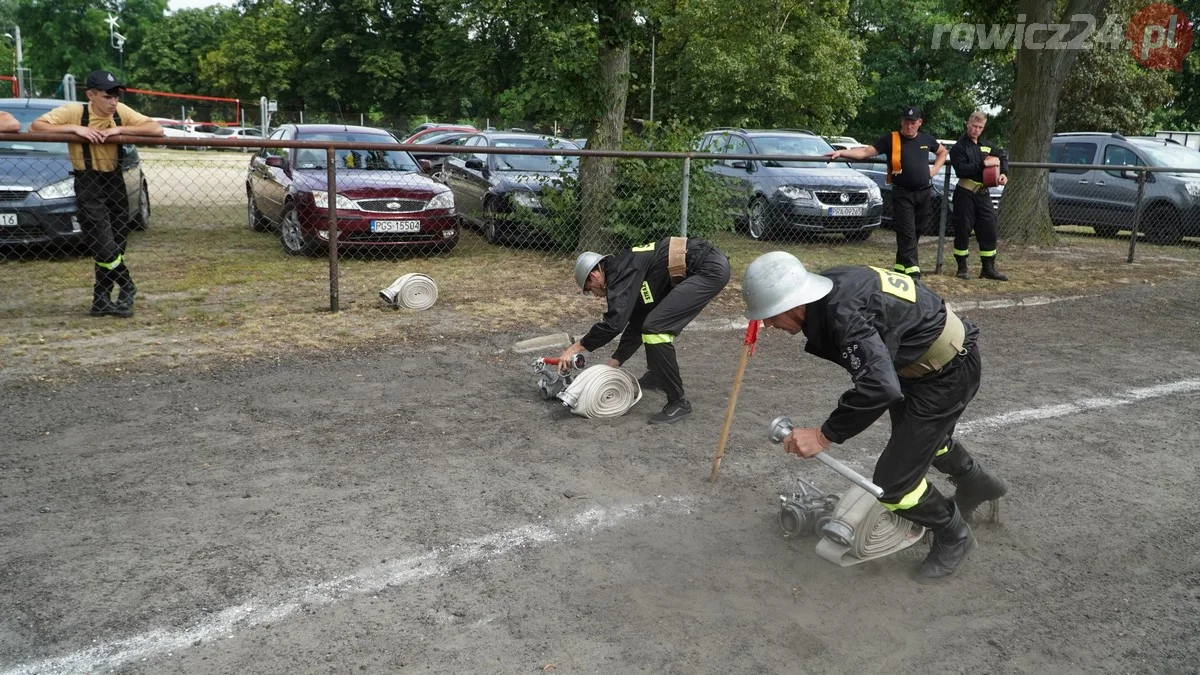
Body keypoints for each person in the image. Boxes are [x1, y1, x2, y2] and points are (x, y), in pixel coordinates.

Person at [741, 251, 1008, 580]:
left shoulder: (842, 314)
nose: (767, 325)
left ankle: (955, 534)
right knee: (922, 444)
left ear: (793, 304)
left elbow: (879, 388)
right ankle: (976, 482)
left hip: (945, 372)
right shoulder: (827, 290)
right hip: (916, 365)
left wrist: (824, 435)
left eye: (770, 315)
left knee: (894, 485)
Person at [30, 70, 164, 318]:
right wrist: (75, 130)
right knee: (103, 243)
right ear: (90, 95)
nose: (113, 101)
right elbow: (36, 126)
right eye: (107, 96)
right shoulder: (75, 112)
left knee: (116, 243)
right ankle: (127, 286)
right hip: (88, 182)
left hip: (114, 181)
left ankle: (101, 298)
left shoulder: (120, 113)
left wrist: (116, 132)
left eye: (116, 95)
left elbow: (156, 129)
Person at [556, 237, 731, 424]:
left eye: (589, 289)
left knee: (655, 329)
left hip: (706, 268)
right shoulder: (626, 270)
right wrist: (612, 365)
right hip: (705, 264)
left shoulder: (620, 273)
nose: (594, 295)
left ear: (594, 276)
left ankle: (678, 402)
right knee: (651, 322)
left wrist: (574, 348)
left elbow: (614, 323)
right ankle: (657, 375)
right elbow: (638, 322)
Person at [828, 106, 947, 280]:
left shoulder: (927, 139)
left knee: (916, 230)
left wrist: (934, 169)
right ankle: (913, 269)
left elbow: (942, 152)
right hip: (903, 193)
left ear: (919, 123)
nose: (909, 126)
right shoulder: (891, 139)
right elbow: (865, 152)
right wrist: (841, 152)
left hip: (924, 192)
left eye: (913, 122)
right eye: (906, 122)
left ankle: (900, 265)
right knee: (906, 230)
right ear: (901, 122)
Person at [950, 111, 1009, 281]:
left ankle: (988, 268)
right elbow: (961, 170)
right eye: (974, 126)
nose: (977, 130)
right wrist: (983, 164)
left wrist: (1004, 172)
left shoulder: (986, 144)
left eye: (980, 127)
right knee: (963, 230)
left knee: (989, 229)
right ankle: (962, 267)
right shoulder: (959, 148)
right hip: (965, 193)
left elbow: (1002, 155)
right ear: (968, 124)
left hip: (984, 194)